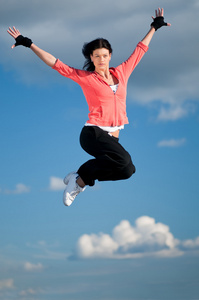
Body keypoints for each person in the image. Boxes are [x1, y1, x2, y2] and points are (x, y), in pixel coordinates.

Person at [7, 8, 170, 207]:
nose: (101, 60)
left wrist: (154, 27)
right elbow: (57, 64)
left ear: (110, 55)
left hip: (112, 137)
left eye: (104, 55)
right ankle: (80, 180)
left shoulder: (122, 72)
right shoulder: (86, 78)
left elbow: (139, 50)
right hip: (92, 134)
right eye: (97, 56)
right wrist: (29, 43)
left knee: (127, 170)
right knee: (124, 158)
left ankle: (79, 178)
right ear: (91, 58)